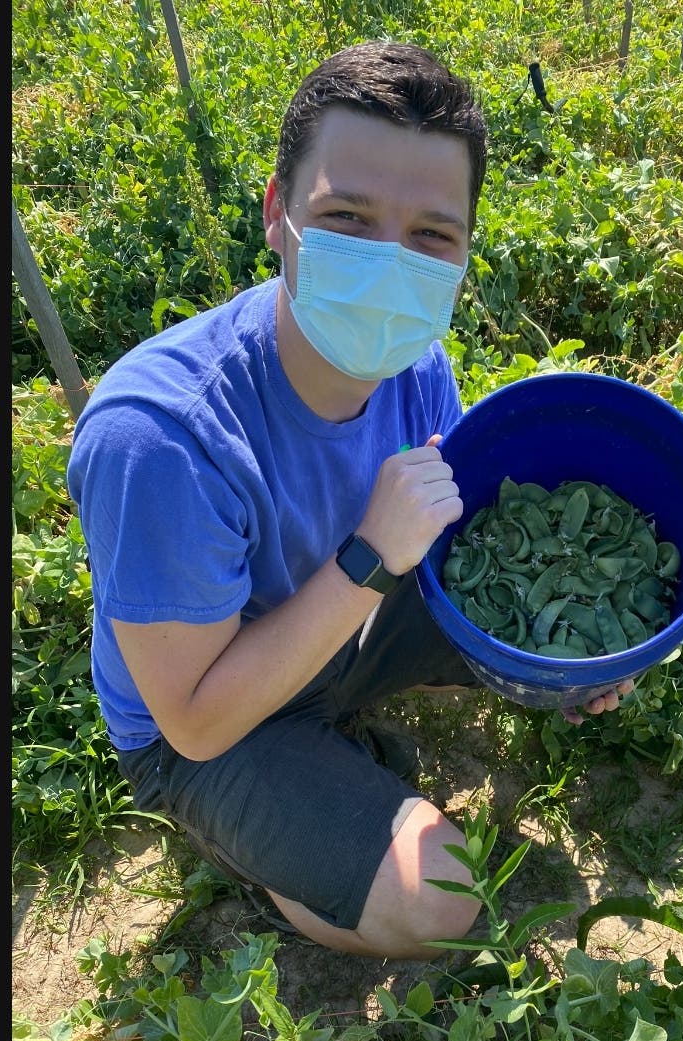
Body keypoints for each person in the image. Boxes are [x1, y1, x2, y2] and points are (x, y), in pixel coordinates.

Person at [65, 40, 633, 961]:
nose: (389, 265)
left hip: (342, 632)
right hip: (206, 728)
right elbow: (194, 720)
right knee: (446, 899)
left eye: (432, 236)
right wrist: (370, 555)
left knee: (558, 640)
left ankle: (331, 773)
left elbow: (449, 557)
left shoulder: (417, 365)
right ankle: (269, 855)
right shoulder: (162, 437)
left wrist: (561, 667)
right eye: (347, 217)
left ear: (464, 252)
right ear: (277, 216)